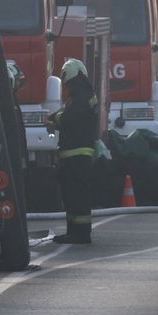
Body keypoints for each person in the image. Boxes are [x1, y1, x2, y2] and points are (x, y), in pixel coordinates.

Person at [48, 58, 98, 244]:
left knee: (77, 196)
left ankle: (81, 234)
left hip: (77, 155)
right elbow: (69, 113)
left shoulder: (82, 97)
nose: (67, 88)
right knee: (71, 195)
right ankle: (74, 232)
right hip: (76, 155)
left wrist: (54, 119)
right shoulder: (84, 95)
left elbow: (70, 117)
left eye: (68, 84)